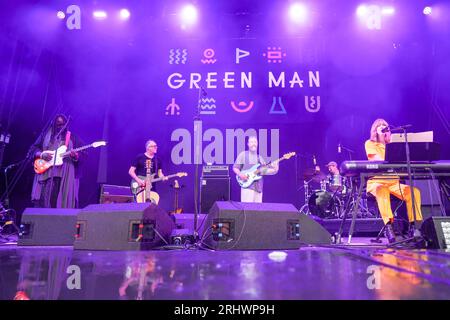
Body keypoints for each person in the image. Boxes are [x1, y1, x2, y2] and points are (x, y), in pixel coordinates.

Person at [365, 118, 423, 243]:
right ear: (375, 131)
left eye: (386, 129)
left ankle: (414, 227)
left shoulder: (395, 145)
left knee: (414, 192)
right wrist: (381, 140)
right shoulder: (370, 144)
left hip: (393, 183)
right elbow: (379, 160)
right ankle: (389, 227)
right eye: (381, 129)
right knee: (382, 190)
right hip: (377, 182)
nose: (385, 131)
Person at [31, 114, 80, 208]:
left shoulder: (71, 137)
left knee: (55, 202)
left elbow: (83, 154)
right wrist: (41, 154)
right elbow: (33, 149)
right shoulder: (45, 135)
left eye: (63, 124)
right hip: (45, 172)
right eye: (58, 124)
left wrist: (76, 156)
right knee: (42, 202)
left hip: (62, 174)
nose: (60, 126)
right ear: (53, 124)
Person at [233, 136, 278, 203]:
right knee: (247, 210)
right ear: (248, 144)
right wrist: (240, 174)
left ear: (257, 144)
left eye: (255, 142)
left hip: (258, 189)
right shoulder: (243, 155)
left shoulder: (260, 158)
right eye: (251, 142)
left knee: (257, 212)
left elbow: (265, 171)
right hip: (247, 188)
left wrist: (275, 169)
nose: (253, 144)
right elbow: (235, 167)